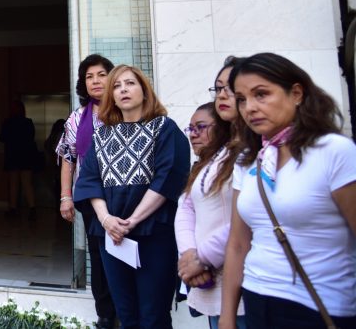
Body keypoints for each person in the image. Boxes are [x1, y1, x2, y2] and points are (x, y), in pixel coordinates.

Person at [220, 53, 356, 329]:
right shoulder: (249, 160)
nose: (250, 108)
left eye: (261, 94)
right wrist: (227, 317)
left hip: (319, 307)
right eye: (242, 99)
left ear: (296, 93)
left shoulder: (334, 151)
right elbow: (237, 243)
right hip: (257, 298)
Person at [74, 64, 190, 329]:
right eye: (116, 86)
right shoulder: (102, 134)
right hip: (112, 238)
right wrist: (106, 221)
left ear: (144, 90)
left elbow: (169, 177)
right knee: (126, 315)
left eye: (130, 83)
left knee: (153, 316)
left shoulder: (164, 128)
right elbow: (89, 180)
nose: (123, 89)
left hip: (153, 235)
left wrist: (133, 220)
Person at [55, 54, 117, 328]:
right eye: (89, 77)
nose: (95, 81)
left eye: (101, 75)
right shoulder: (77, 118)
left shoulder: (126, 110)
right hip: (91, 200)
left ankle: (127, 310)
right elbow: (68, 159)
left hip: (127, 198)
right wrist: (66, 196)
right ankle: (105, 314)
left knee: (125, 255)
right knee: (99, 257)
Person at [175, 102, 244, 327]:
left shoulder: (240, 159)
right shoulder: (203, 165)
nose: (193, 135)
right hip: (205, 276)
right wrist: (188, 255)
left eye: (201, 127)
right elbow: (185, 209)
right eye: (191, 129)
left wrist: (201, 259)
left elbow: (244, 218)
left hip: (237, 277)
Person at [0, 99, 38, 220]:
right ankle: (32, 208)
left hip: (13, 155)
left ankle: (13, 208)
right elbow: (32, 137)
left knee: (14, 183)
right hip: (26, 156)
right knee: (27, 183)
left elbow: (2, 138)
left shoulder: (8, 122)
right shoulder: (28, 122)